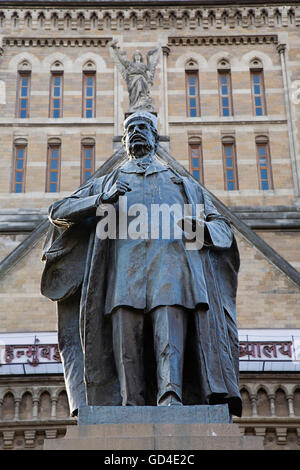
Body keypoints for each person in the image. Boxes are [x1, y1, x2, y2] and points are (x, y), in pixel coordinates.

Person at [41, 111, 242, 417]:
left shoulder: (183, 185)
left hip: (173, 275)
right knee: (126, 347)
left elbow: (223, 229)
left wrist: (201, 230)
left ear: (154, 138)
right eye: (130, 129)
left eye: (142, 127)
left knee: (169, 342)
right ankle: (128, 407)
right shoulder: (108, 183)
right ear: (124, 141)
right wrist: (98, 202)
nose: (136, 131)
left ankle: (171, 399)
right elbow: (58, 211)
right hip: (123, 276)